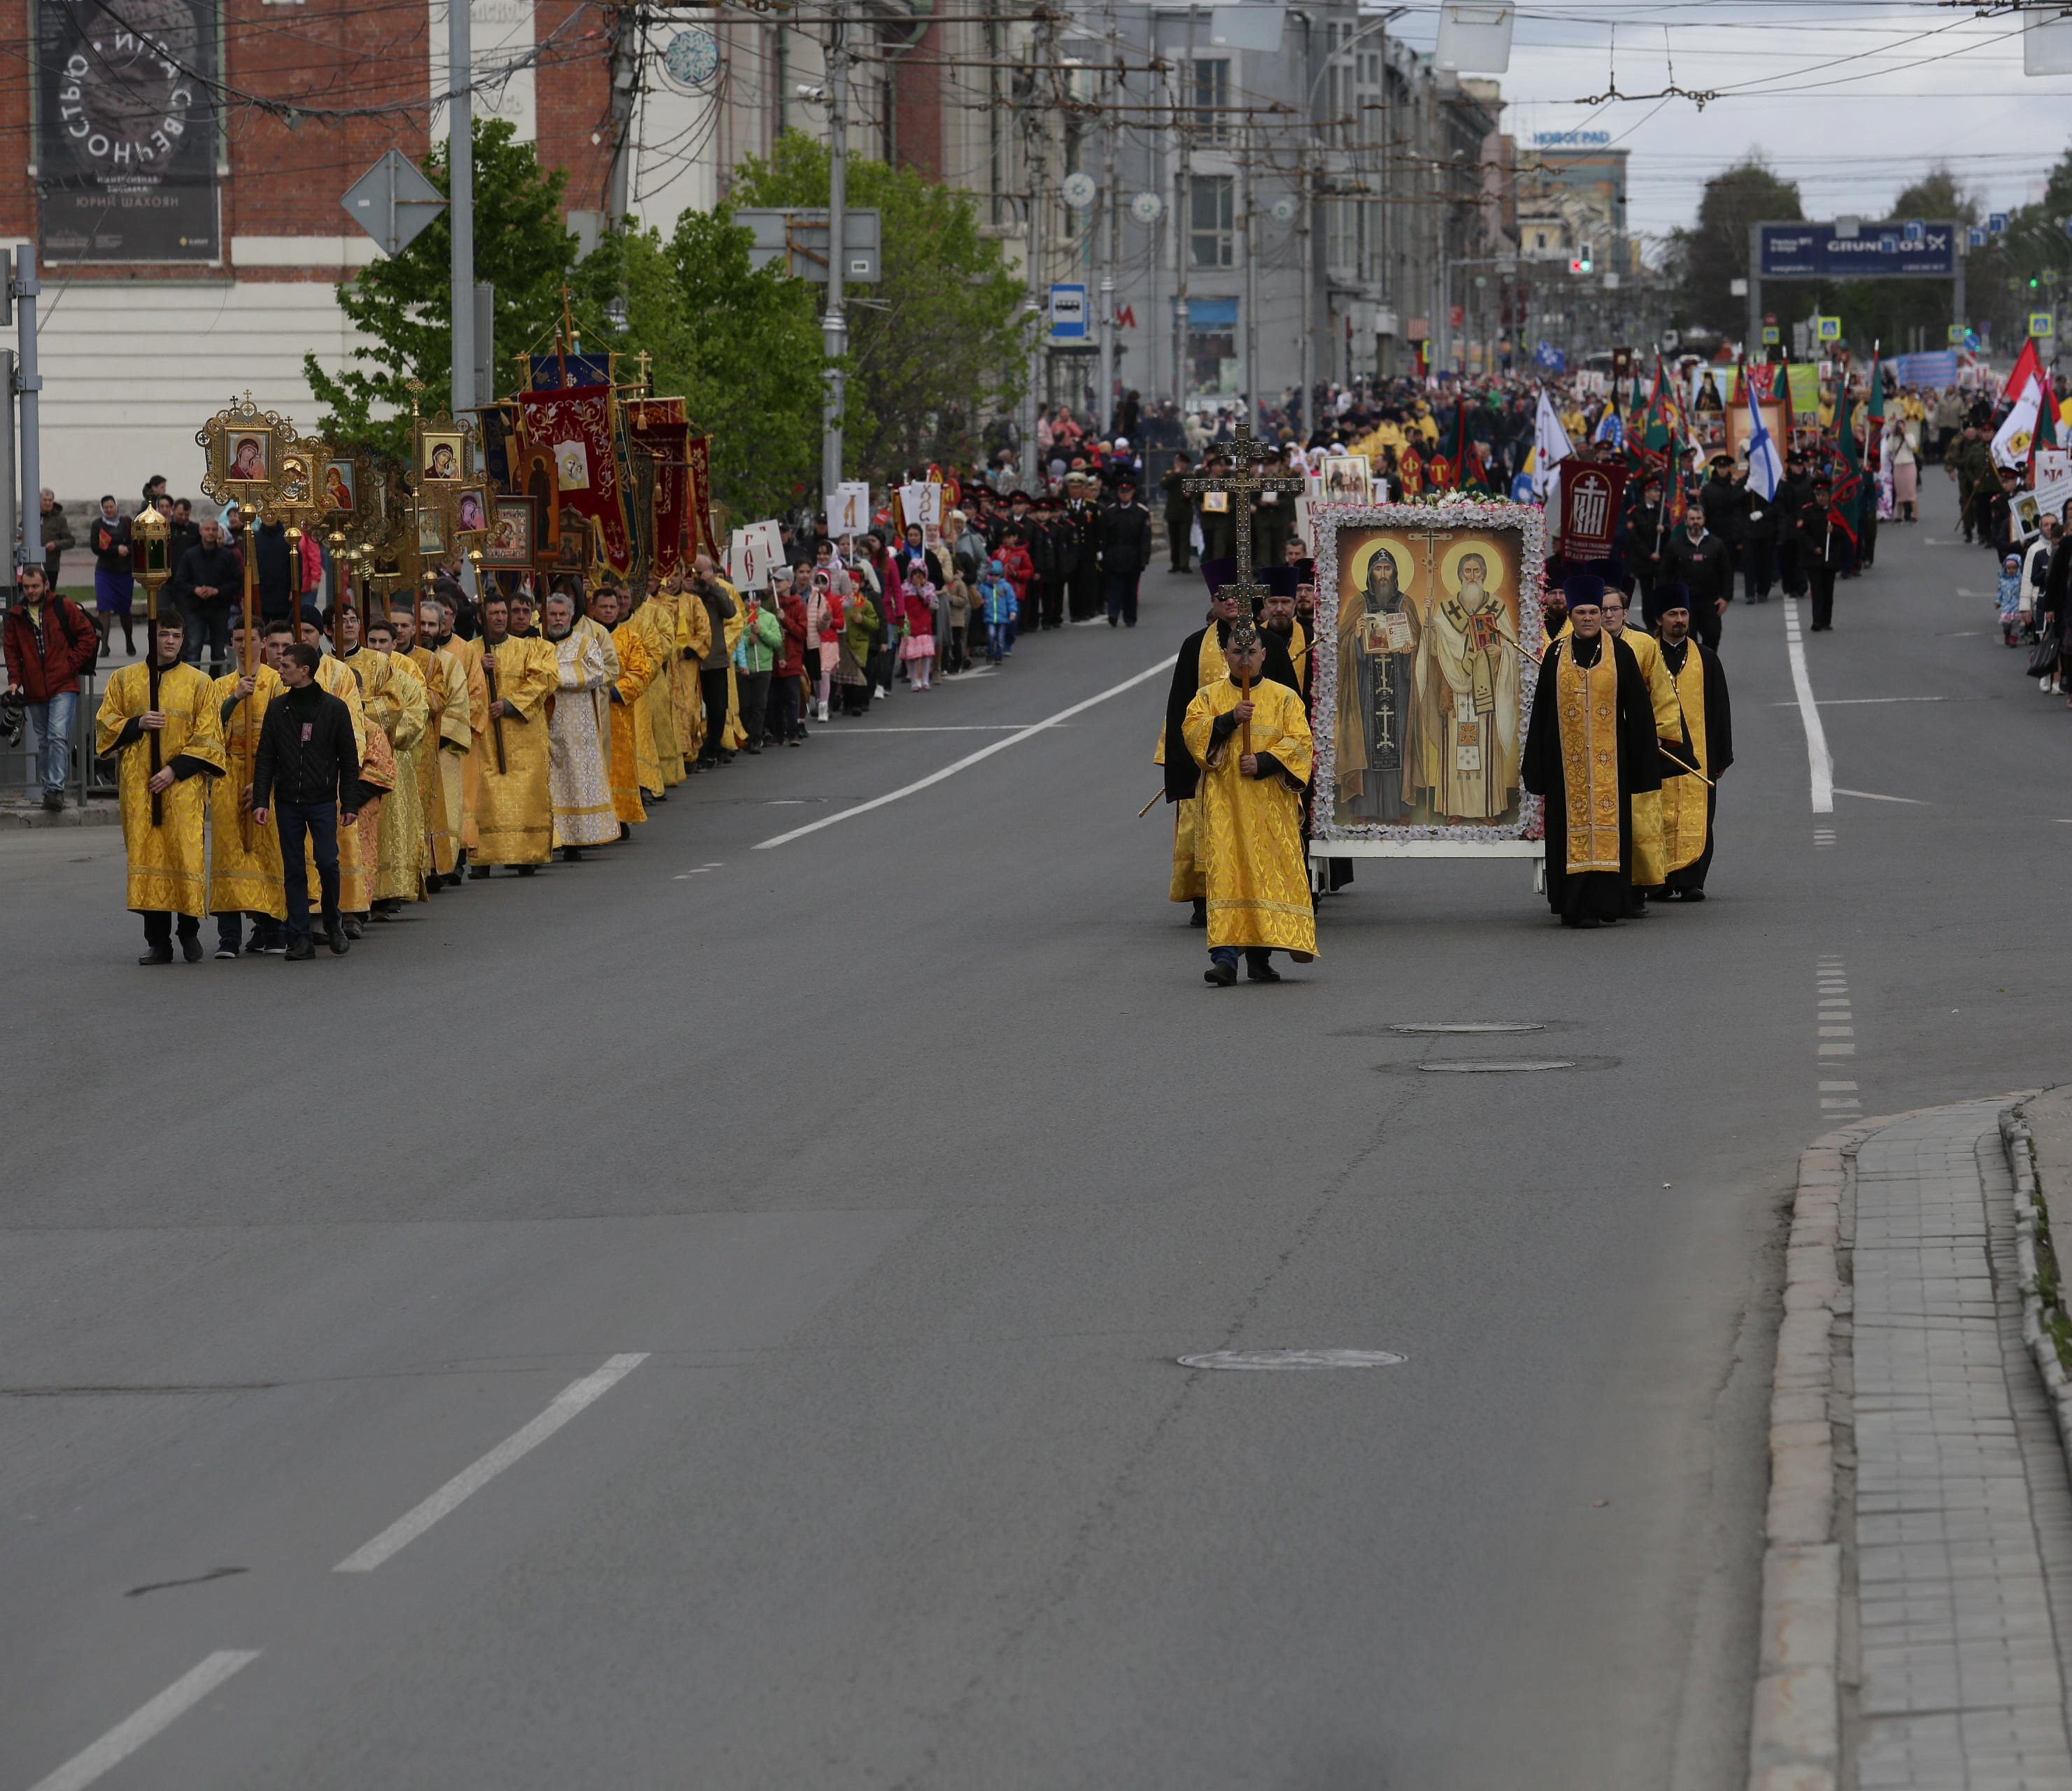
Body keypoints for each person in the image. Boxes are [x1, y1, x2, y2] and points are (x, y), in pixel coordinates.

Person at [1519, 572, 1663, 930]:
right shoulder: (1555, 654)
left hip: (1611, 764)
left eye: (1593, 612)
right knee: (1568, 833)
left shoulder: (1621, 653)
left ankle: (1608, 903)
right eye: (1581, 612)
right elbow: (1541, 713)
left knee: (1609, 829)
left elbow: (1640, 711)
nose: (1588, 618)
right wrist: (1535, 767)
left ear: (1602, 615)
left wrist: (1643, 764)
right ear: (1571, 616)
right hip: (1564, 767)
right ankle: (1572, 905)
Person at [1157, 576, 1302, 924]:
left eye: (1240, 595)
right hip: (1212, 760)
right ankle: (1207, 900)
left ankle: (1267, 902)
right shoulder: (1195, 645)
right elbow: (1181, 708)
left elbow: (1293, 709)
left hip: (1261, 762)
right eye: (1224, 596)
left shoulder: (1270, 645)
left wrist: (1272, 759)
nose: (1233, 602)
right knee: (1209, 832)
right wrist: (1185, 759)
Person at [1180, 620, 1318, 985]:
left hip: (1269, 806)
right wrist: (1228, 720)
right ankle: (1225, 959)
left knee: (1265, 877)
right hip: (1226, 806)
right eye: (1237, 652)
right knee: (1229, 875)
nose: (1245, 660)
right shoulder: (1208, 697)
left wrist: (1266, 762)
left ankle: (1260, 957)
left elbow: (1301, 745)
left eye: (1251, 652)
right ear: (1225, 655)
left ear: (1264, 655)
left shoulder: (1285, 697)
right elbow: (1194, 733)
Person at [94, 608, 227, 962]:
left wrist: (175, 770)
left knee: (184, 856)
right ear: (152, 638)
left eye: (176, 636)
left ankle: (188, 932)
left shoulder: (200, 683)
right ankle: (158, 941)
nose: (170, 642)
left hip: (182, 786)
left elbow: (210, 737)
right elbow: (106, 725)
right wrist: (137, 723)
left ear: (184, 640)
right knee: (148, 856)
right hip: (139, 784)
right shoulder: (125, 679)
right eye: (164, 635)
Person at [250, 639, 360, 958]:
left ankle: (333, 923)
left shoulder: (334, 709)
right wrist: (261, 801)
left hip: (323, 800)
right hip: (288, 801)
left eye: (285, 666)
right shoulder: (278, 708)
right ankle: (300, 937)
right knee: (294, 869)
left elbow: (349, 760)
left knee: (327, 862)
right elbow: (266, 758)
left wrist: (349, 803)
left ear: (304, 670)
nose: (279, 670)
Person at [1407, 548, 1520, 822]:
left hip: (1486, 691)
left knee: (1484, 748)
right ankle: (1454, 807)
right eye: (1467, 571)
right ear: (1459, 575)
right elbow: (1433, 652)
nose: (1472, 576)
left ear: (1484, 574)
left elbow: (1514, 649)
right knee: (1455, 748)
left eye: (1476, 571)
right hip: (1454, 693)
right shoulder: (1445, 612)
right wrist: (1428, 628)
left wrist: (1502, 651)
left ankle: (1486, 808)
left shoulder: (1497, 608)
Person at [206, 614, 288, 956]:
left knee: (267, 852)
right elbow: (210, 728)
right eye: (238, 639)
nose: (244, 645)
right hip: (228, 775)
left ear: (263, 642)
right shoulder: (221, 685)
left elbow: (285, 733)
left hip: (267, 777)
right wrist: (235, 698)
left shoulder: (277, 682)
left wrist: (265, 779)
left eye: (251, 639)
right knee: (228, 851)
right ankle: (228, 936)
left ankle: (272, 928)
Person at [1601, 586, 1682, 914]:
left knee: (1636, 817)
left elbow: (1662, 691)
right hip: (1598, 743)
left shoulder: (1644, 645)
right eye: (1601, 609)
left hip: (1634, 742)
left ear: (1625, 612)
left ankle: (1637, 889)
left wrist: (1660, 733)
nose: (1607, 615)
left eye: (1613, 609)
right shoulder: (1582, 645)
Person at [1652, 586, 1733, 902]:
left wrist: (1722, 756)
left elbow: (1720, 709)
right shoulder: (1646, 655)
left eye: (1683, 614)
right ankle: (1659, 879)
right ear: (1659, 619)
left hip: (1700, 757)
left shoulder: (1706, 659)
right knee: (1658, 815)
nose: (1679, 620)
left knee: (1698, 816)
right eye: (1673, 614)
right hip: (1658, 754)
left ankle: (1691, 880)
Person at [469, 593, 560, 875]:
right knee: (483, 793)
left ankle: (525, 854)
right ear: (481, 617)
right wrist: (477, 669)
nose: (499, 618)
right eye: (493, 613)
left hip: (523, 736)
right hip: (484, 737)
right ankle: (482, 857)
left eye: (502, 613)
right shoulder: (470, 651)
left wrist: (509, 705)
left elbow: (545, 679)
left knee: (525, 792)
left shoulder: (528, 648)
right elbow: (457, 686)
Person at [1333, 541, 1419, 823]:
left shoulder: (1405, 603)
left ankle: (1397, 808)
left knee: (1397, 740)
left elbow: (1420, 645)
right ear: (1370, 574)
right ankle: (1365, 808)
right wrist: (1355, 638)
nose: (1383, 575)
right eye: (1378, 569)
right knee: (1369, 744)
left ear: (1396, 572)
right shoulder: (1359, 602)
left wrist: (1411, 650)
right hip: (1366, 688)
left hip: (1400, 687)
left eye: (1387, 568)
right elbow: (1341, 644)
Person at [3, 564, 99, 812]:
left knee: (57, 735)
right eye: (27, 587)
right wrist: (15, 680)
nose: (31, 591)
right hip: (35, 688)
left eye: (36, 586)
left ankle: (55, 788)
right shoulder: (16, 616)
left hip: (63, 683)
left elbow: (88, 636)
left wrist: (71, 664)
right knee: (45, 740)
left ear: (46, 585)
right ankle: (49, 790)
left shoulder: (61, 606)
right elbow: (11, 651)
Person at [541, 590, 618, 858]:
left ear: (571, 616)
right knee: (546, 782)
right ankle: (551, 838)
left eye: (563, 614)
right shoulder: (538, 643)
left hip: (577, 728)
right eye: (553, 614)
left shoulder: (585, 643)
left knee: (574, 782)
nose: (558, 619)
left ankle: (576, 840)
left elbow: (596, 672)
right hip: (544, 724)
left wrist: (552, 676)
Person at [167, 516, 243, 676]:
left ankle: (216, 684)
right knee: (194, 647)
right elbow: (180, 580)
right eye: (207, 529)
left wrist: (217, 591)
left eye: (214, 530)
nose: (211, 533)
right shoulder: (190, 555)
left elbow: (236, 581)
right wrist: (195, 590)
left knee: (218, 650)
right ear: (201, 531)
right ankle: (193, 682)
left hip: (220, 608)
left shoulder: (227, 556)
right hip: (195, 608)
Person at [692, 558, 738, 767]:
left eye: (702, 572)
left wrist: (712, 585)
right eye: (696, 572)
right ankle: (696, 750)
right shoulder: (689, 593)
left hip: (715, 659)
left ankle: (713, 747)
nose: (699, 576)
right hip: (691, 659)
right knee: (692, 709)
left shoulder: (718, 591)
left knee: (718, 708)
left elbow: (730, 611)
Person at [1665, 508, 1731, 650]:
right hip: (1685, 604)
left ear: (1704, 520)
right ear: (1686, 522)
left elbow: (1726, 572)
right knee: (1689, 641)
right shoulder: (1675, 545)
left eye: (1698, 518)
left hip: (1710, 601)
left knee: (1713, 636)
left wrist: (1726, 597)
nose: (1695, 522)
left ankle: (1709, 669)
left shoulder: (1717, 544)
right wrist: (1666, 601)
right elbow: (1665, 574)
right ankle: (1693, 670)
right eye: (1692, 519)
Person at [733, 584, 783, 742]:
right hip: (744, 667)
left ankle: (755, 738)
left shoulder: (769, 618)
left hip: (763, 667)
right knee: (745, 706)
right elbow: (734, 641)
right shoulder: (738, 618)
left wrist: (761, 632)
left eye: (756, 599)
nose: (752, 603)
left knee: (759, 705)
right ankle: (746, 736)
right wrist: (748, 639)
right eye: (748, 600)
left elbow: (777, 641)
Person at [1798, 475, 1845, 632]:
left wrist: (1835, 531)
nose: (1821, 498)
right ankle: (1817, 621)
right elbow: (1803, 533)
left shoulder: (1835, 512)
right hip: (1813, 558)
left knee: (1828, 591)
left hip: (1830, 557)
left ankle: (1827, 620)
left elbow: (1845, 533)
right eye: (1818, 495)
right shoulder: (1808, 511)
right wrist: (1813, 548)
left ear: (1829, 494)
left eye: (1823, 495)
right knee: (1817, 591)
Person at [90, 495, 134, 658]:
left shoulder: (127, 522)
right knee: (104, 607)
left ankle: (129, 641)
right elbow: (95, 547)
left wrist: (127, 549)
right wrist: (116, 550)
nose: (109, 510)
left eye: (111, 506)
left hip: (124, 572)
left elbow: (136, 542)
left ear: (116, 506)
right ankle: (104, 646)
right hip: (105, 572)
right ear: (102, 509)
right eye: (106, 507)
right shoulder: (97, 525)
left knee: (124, 609)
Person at [1162, 451, 1195, 572]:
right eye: (1178, 462)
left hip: (1185, 511)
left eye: (1182, 463)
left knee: (1184, 539)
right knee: (1174, 539)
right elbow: (1164, 485)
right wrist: (1176, 475)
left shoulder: (1190, 475)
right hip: (1172, 511)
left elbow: (1195, 490)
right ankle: (1175, 563)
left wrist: (1190, 494)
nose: (1180, 464)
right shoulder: (1169, 474)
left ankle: (1184, 564)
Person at [40, 490, 73, 590]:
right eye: (45, 500)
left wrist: (56, 544)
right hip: (32, 565)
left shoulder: (59, 519)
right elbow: (20, 533)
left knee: (48, 595)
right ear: (39, 501)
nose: (47, 503)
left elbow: (70, 541)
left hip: (50, 566)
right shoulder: (31, 516)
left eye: (50, 500)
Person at [1999, 551, 2026, 648]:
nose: (2011, 570)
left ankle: (2013, 638)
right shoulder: (2003, 580)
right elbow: (2000, 591)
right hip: (2006, 607)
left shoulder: (2021, 580)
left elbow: (2024, 592)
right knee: (2006, 625)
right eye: (2009, 568)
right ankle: (2007, 634)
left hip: (2017, 606)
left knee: (2016, 624)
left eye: (2014, 568)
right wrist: (1998, 601)